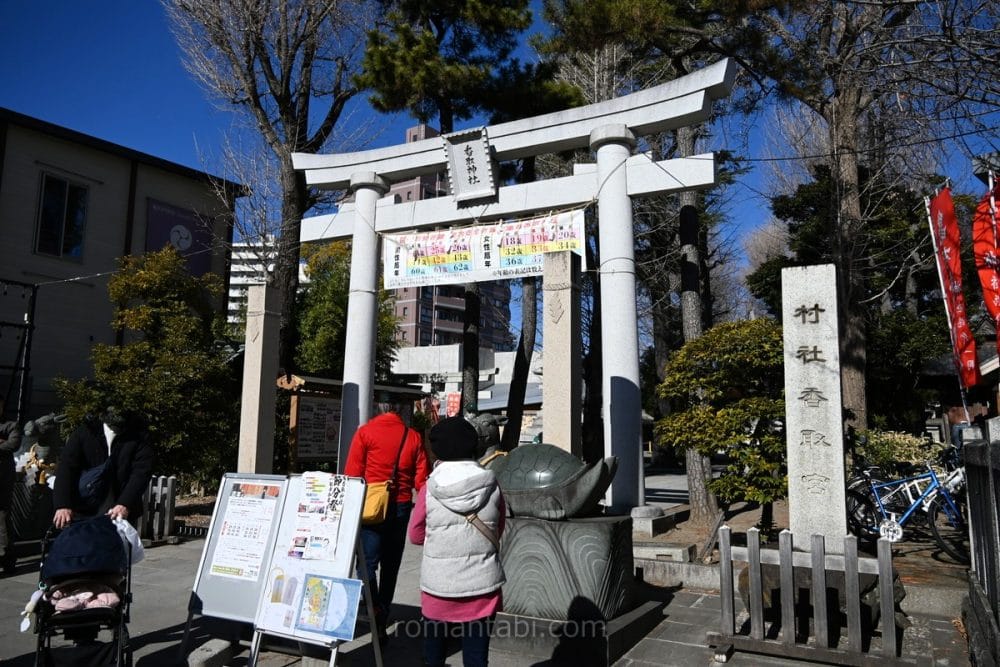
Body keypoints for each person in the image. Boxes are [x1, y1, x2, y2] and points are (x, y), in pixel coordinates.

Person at [408, 416, 505, 667]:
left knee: (434, 655)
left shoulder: (430, 489)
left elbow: (415, 535)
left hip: (438, 587)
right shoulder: (492, 485)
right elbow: (498, 529)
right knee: (476, 658)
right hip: (482, 585)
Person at [344, 397, 429, 641]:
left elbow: (352, 474)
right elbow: (421, 480)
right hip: (400, 505)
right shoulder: (412, 436)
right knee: (391, 564)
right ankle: (384, 612)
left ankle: (373, 608)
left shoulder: (365, 433)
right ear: (399, 411)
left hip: (370, 506)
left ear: (378, 409)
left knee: (367, 563)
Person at [53, 406, 154, 529]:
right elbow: (66, 467)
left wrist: (125, 503)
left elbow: (141, 472)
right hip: (84, 506)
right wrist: (63, 504)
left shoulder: (139, 436)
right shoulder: (85, 432)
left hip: (119, 511)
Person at [0, 420, 22, 573]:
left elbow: (13, 445)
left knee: (2, 516)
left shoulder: (11, 426)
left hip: (3, 478)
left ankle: (6, 557)